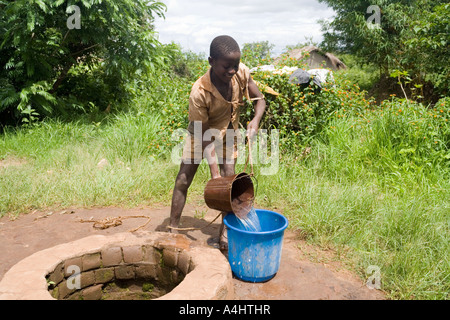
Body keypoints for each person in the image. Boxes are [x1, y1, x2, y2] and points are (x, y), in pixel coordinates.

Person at [168, 35, 266, 250]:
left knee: (228, 185)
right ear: (211, 61)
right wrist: (214, 174)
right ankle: (172, 229)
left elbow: (260, 99)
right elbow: (203, 135)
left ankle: (225, 234)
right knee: (184, 178)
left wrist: (255, 120)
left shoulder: (242, 72)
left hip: (228, 134)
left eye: (235, 65)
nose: (232, 70)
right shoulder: (200, 92)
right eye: (226, 66)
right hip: (200, 133)